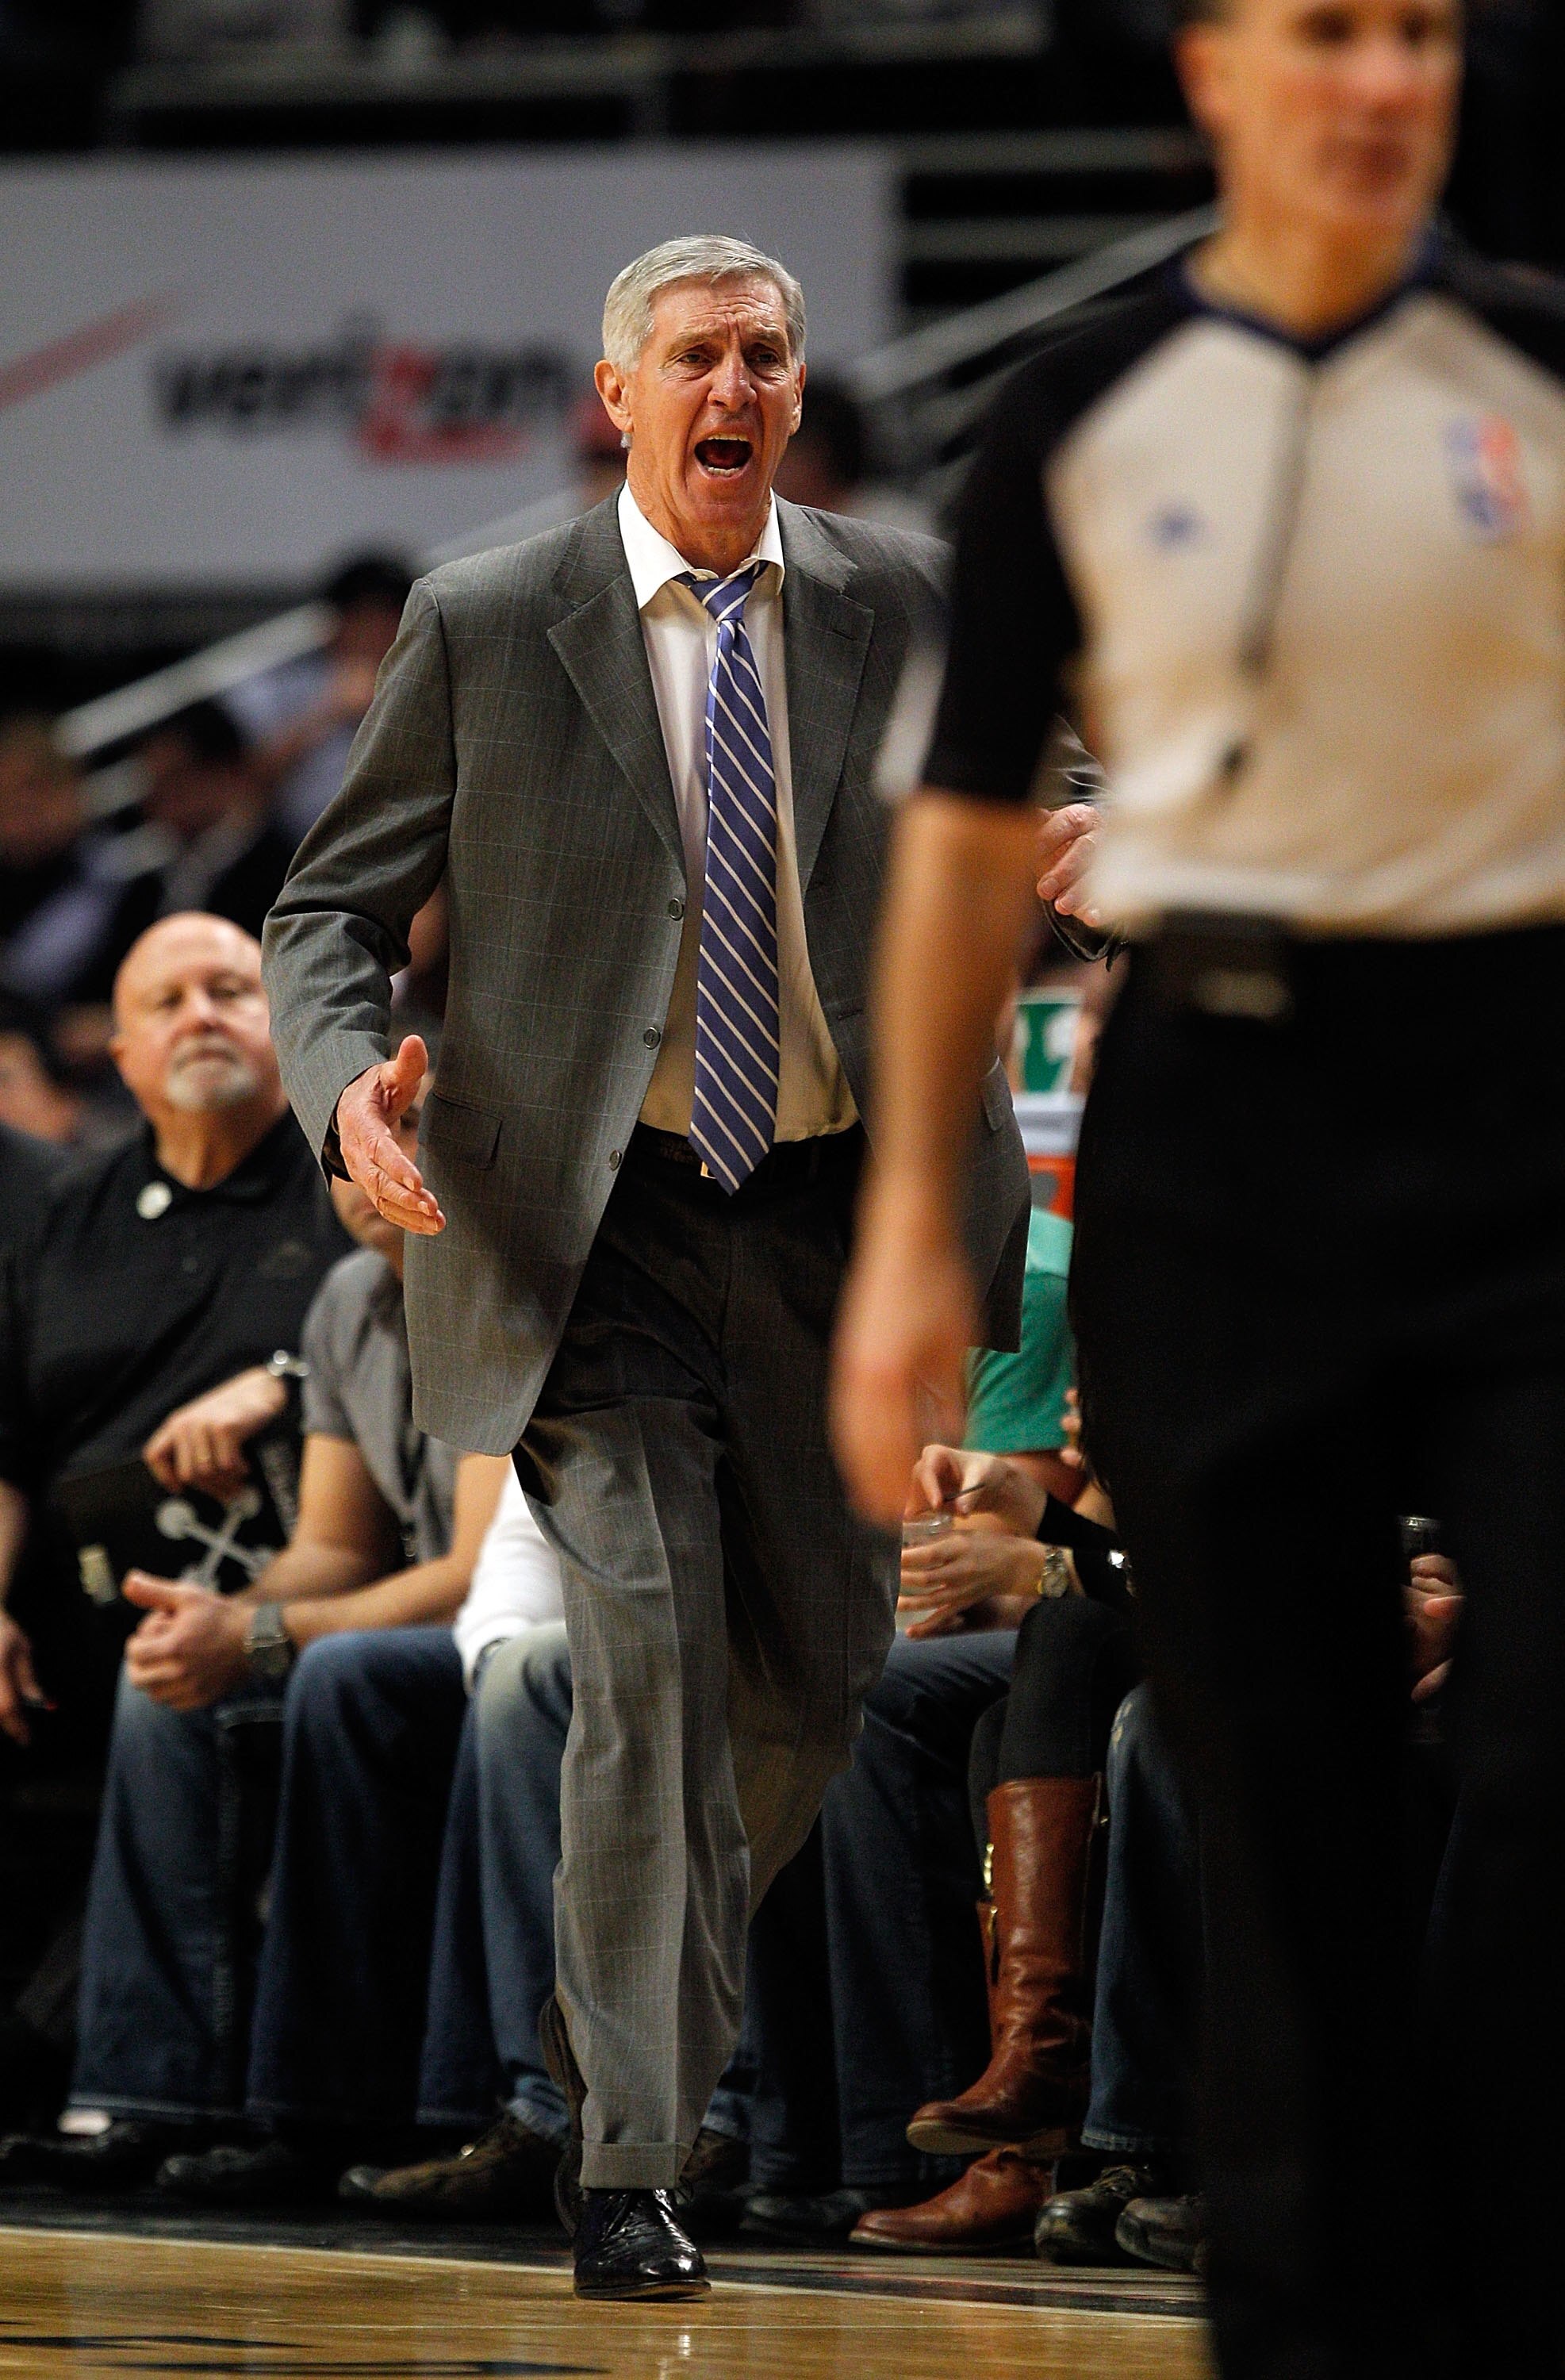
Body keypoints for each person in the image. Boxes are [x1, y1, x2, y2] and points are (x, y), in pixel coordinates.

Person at [831, 2, 1565, 2373]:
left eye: (1421, 31)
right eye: (1327, 30)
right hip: (1222, 1150)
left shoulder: (1538, 373)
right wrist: (911, 1246)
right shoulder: (1075, 403)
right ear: (1214, 69)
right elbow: (957, 848)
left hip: (1518, 1115)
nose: (1381, 79)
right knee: (1282, 1830)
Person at [262, 232, 1030, 2301]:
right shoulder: (488, 619)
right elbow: (322, 920)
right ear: (617, 395)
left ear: (791, 398)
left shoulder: (899, 598)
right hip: (574, 1231)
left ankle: (598, 2029)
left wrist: (1092, 840)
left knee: (817, 1680)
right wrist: (345, 1087)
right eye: (692, 354)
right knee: (651, 1663)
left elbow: (1027, 807)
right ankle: (624, 2155)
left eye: (764, 356)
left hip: (821, 1222)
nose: (732, 385)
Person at [22, 1069, 507, 2192]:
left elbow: (475, 1577)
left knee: (341, 1672)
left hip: (510, 1630)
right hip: (402, 1628)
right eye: (350, 1145)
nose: (367, 1167)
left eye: (406, 1133)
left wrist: (268, 1639)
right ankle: (149, 2094)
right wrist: (221, 1622)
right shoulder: (349, 1300)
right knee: (170, 1682)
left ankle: (325, 2108)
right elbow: (335, 1549)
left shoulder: (500, 1294)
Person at [228, 556, 416, 846]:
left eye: (390, 618)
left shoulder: (425, 682)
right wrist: (330, 710)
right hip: (300, 845)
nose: (378, 633)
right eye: (365, 619)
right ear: (338, 623)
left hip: (400, 843)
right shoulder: (294, 682)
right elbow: (245, 779)